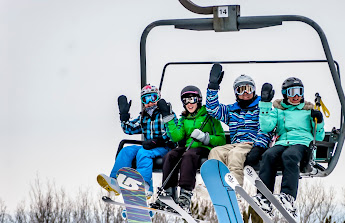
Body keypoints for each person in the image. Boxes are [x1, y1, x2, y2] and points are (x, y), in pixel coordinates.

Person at [253, 77, 325, 218]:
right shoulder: (278, 110)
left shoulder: (308, 111)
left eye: (299, 92)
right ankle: (263, 197)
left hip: (302, 144)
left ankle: (288, 196)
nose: (296, 96)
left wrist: (319, 121)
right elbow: (266, 127)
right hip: (282, 143)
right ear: (285, 94)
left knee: (289, 156)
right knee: (268, 155)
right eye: (292, 92)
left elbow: (320, 137)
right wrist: (265, 104)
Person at [150, 85, 226, 213]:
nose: (189, 104)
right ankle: (168, 193)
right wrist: (168, 118)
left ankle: (185, 195)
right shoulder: (184, 119)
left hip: (204, 148)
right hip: (188, 148)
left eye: (192, 99)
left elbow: (221, 140)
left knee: (189, 155)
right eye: (185, 101)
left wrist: (205, 137)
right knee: (171, 155)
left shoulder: (209, 117)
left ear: (198, 100)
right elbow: (176, 137)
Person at [97, 84, 175, 200]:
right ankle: (115, 181)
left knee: (143, 153)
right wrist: (124, 116)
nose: (149, 102)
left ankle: (144, 185)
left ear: (158, 98)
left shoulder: (164, 113)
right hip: (149, 146)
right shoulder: (144, 117)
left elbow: (174, 132)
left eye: (152, 98)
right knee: (126, 151)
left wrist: (160, 138)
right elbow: (130, 129)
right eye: (145, 99)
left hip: (164, 147)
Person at [205, 63, 272, 185]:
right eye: (241, 89)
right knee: (216, 152)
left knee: (234, 155)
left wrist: (258, 147)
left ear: (254, 90)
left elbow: (266, 129)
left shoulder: (261, 108)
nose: (245, 92)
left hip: (251, 144)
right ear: (236, 93)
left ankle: (234, 187)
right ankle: (217, 184)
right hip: (235, 144)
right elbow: (212, 109)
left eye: (249, 88)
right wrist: (213, 87)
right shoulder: (232, 111)